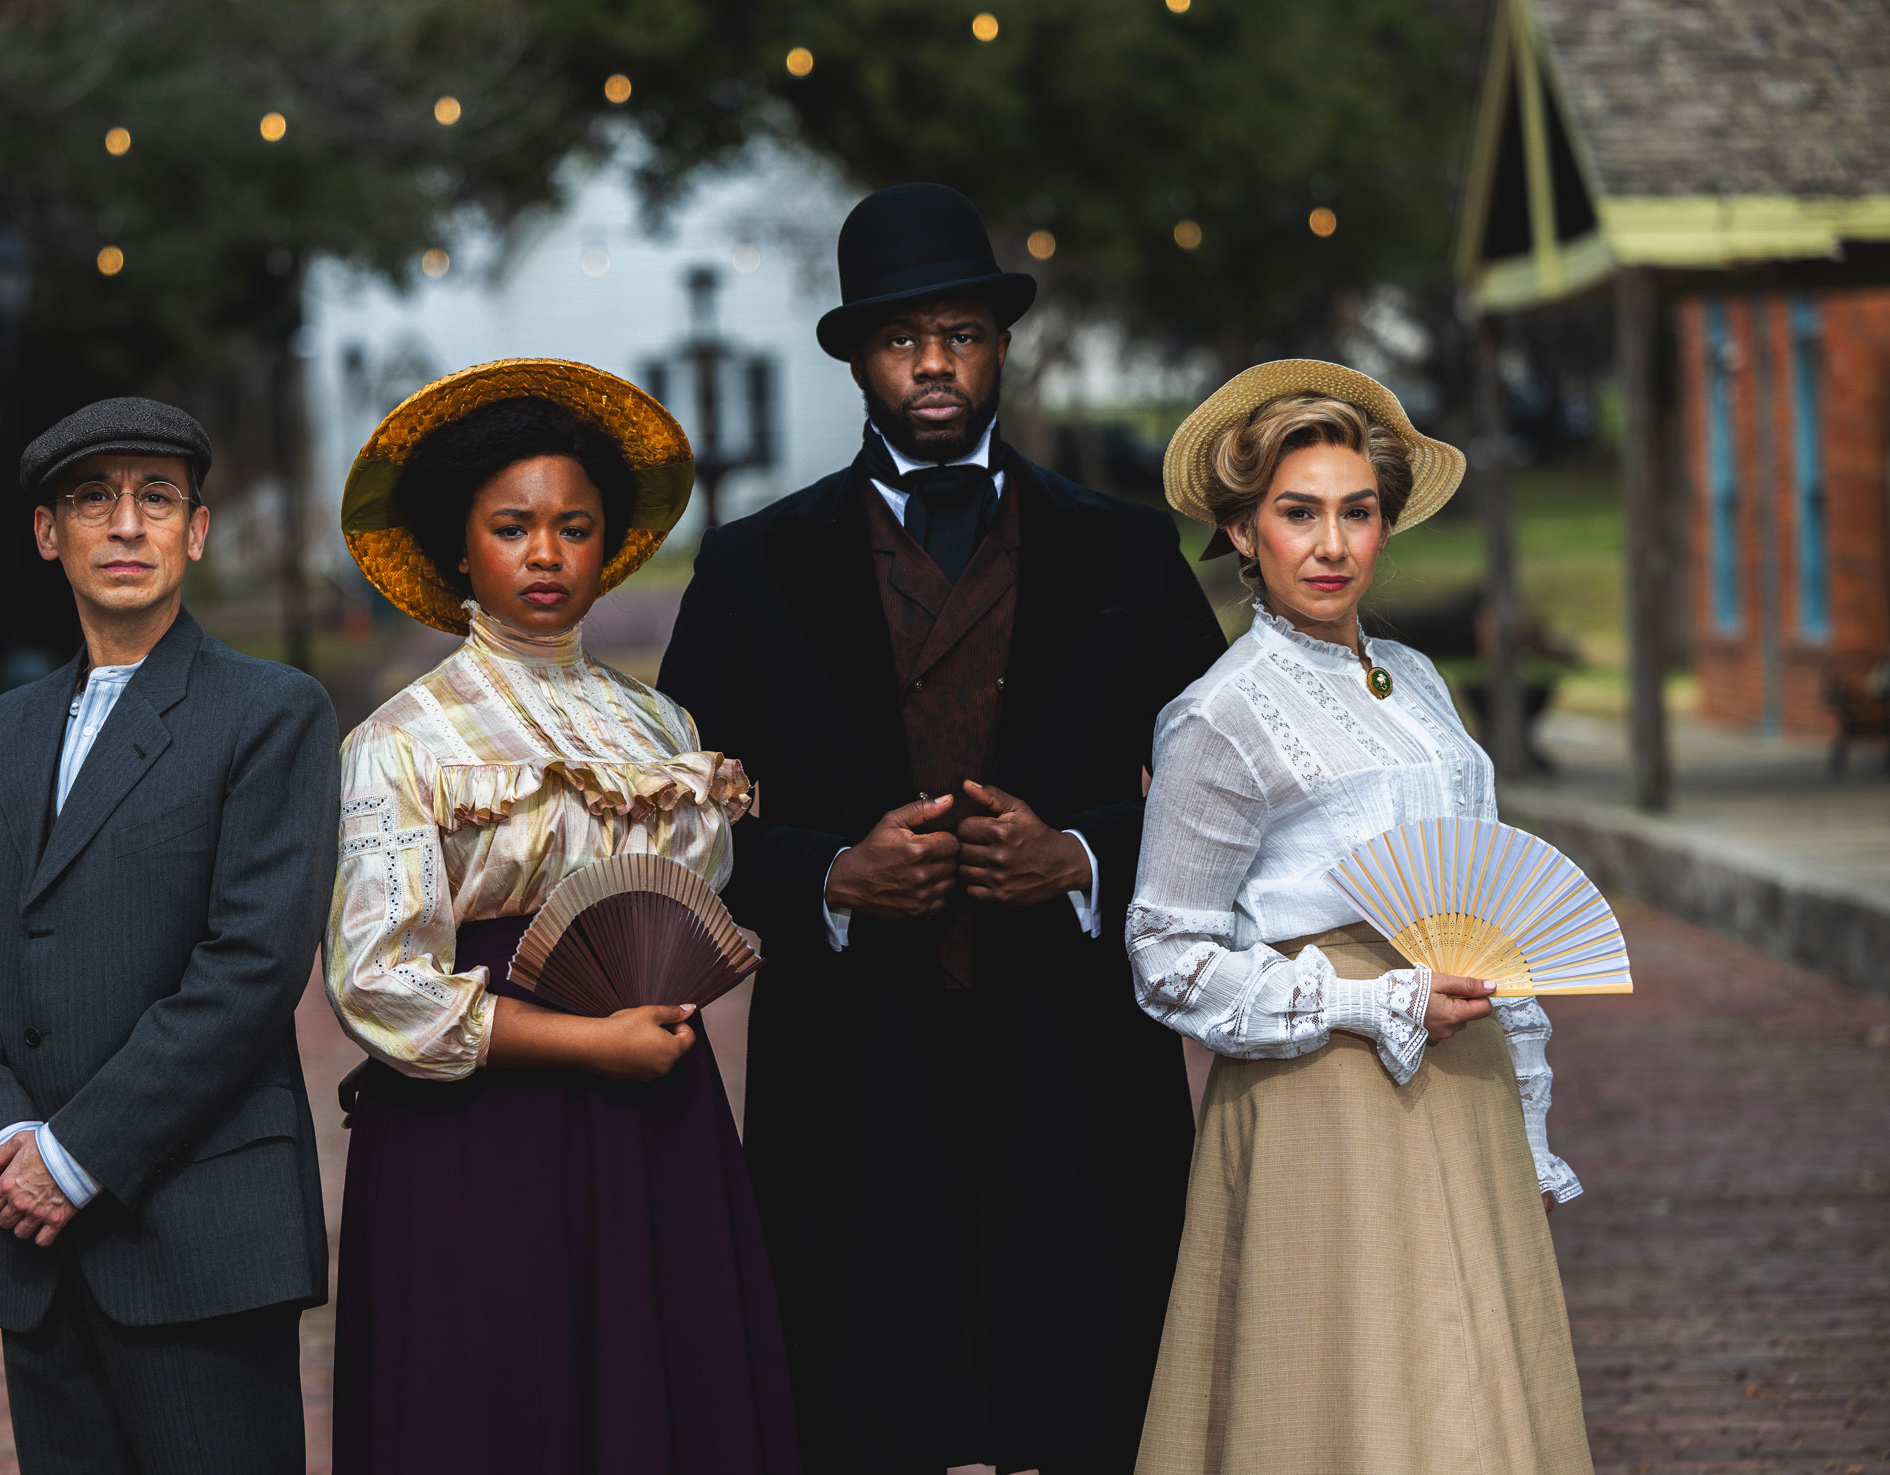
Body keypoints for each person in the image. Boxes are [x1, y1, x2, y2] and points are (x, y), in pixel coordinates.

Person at [656, 183, 1230, 1474]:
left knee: (1094, 1385)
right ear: (857, 355)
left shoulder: (1129, 555)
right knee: (866, 1398)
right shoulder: (755, 566)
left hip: (1077, 1041)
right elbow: (682, 819)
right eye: (902, 336)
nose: (933, 361)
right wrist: (832, 876)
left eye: (961, 331)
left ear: (1002, 344)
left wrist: (1078, 855)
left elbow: (1228, 808)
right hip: (856, 1053)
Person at [326, 360, 799, 1475]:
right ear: (459, 544)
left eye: (574, 526)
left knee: (663, 1404)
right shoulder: (402, 740)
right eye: (511, 525)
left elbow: (701, 898)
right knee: (503, 1404)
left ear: (608, 545)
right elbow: (377, 981)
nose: (545, 553)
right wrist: (590, 1041)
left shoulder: (662, 722)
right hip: (480, 1134)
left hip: (655, 1126)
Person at [1126, 360, 1591, 1475]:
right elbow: (1164, 957)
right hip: (1321, 1093)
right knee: (1344, 1405)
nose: (1329, 543)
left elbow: (1486, 892)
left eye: (1355, 511)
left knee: (1473, 1391)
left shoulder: (1420, 679)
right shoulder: (1217, 714)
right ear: (1241, 532)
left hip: (1464, 1078)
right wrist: (1371, 997)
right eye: (1297, 513)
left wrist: (1524, 1121)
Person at [0, 397, 338, 1474]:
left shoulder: (270, 712)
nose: (125, 525)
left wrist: (75, 1152)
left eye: (156, 498)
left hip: (198, 1231)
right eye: (92, 499)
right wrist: (1, 1135)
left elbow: (250, 968)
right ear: (48, 534)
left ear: (195, 531)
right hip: (31, 1241)